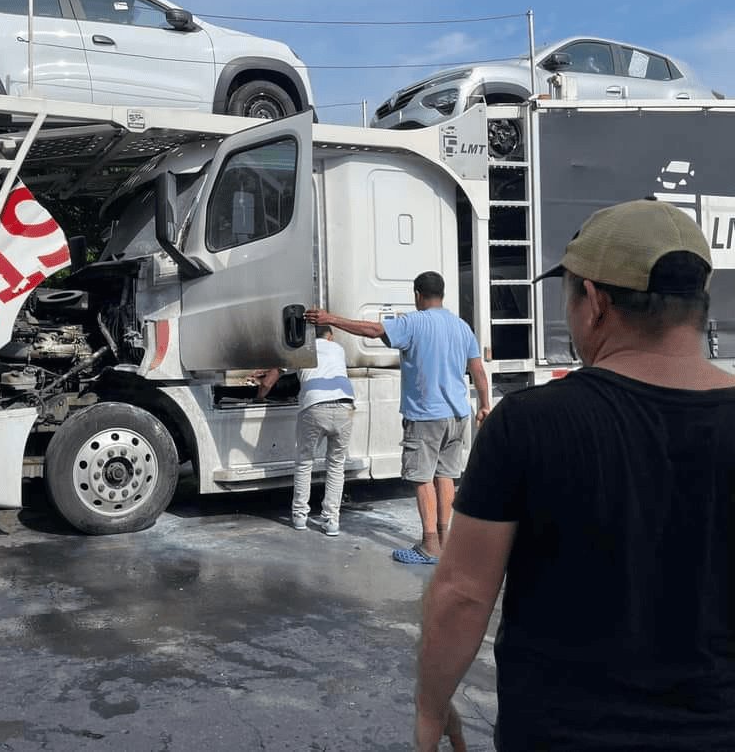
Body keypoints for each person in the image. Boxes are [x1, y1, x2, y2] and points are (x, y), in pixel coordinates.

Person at [414, 199, 735, 751]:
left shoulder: (530, 424)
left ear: (595, 300)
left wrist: (430, 706)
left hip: (561, 734)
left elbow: (463, 594)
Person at [305, 271, 490, 563]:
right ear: (442, 294)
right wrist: (484, 404)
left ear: (417, 294)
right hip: (458, 414)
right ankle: (446, 541)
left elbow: (373, 331)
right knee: (446, 477)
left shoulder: (413, 323)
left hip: (426, 414)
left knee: (422, 478)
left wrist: (331, 319)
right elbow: (478, 370)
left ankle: (430, 545)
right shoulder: (461, 327)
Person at [252, 325, 355, 536]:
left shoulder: (300, 350)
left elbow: (270, 380)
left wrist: (259, 396)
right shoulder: (338, 348)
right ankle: (331, 521)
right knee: (336, 464)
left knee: (305, 461)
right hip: (345, 404)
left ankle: (300, 516)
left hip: (315, 406)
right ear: (330, 335)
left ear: (308, 336)